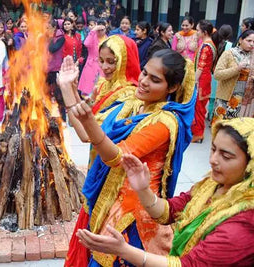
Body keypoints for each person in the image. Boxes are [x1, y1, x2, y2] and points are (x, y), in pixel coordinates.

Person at [60, 49, 196, 266]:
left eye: (155, 80)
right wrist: (67, 90)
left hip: (134, 216)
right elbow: (87, 133)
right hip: (107, 197)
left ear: (172, 87)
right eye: (144, 73)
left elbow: (115, 157)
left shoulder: (165, 122)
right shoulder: (132, 103)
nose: (143, 81)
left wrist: (88, 119)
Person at [76, 117, 254, 266]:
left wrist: (124, 250)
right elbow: (170, 212)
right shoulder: (212, 185)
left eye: (226, 156)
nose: (213, 160)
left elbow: (189, 265)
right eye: (213, 149)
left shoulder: (244, 222)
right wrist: (142, 189)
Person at [60, 35, 141, 165]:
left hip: (111, 163)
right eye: (101, 60)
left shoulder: (129, 97)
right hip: (97, 155)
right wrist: (73, 90)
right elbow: (87, 113)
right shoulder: (105, 83)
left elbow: (87, 134)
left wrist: (66, 90)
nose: (104, 67)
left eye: (111, 61)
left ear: (125, 61)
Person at [212, 30, 254, 124]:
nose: (251, 44)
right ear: (240, 40)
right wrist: (237, 69)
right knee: (220, 129)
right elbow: (217, 74)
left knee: (235, 133)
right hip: (225, 99)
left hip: (244, 103)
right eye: (249, 40)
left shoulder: (252, 56)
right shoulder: (229, 54)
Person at [191, 20, 216, 143]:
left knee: (199, 107)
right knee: (199, 107)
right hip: (205, 78)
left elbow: (201, 66)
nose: (196, 32)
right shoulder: (209, 44)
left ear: (204, 32)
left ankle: (198, 133)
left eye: (198, 30)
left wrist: (194, 80)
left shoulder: (206, 46)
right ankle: (197, 131)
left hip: (202, 80)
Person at [78, 21, 104, 96]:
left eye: (102, 30)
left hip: (102, 66)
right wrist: (93, 30)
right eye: (98, 30)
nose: (100, 31)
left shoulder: (107, 38)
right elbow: (86, 43)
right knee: (87, 90)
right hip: (91, 65)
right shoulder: (92, 36)